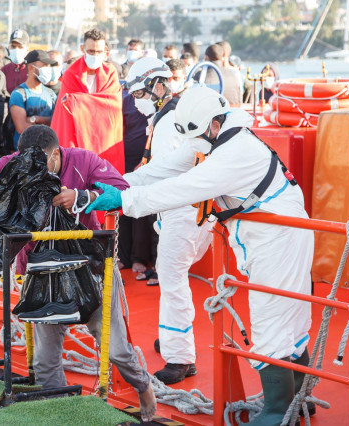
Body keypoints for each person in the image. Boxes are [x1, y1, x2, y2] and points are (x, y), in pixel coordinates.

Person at [87, 86, 313, 425]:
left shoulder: (235, 152)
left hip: (278, 241)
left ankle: (279, 412)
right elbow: (164, 170)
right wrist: (120, 185)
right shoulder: (217, 136)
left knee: (273, 320)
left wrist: (125, 202)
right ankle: (299, 398)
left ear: (213, 124)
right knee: (288, 315)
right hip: (271, 238)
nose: (195, 144)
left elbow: (184, 187)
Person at [0, 125, 157, 423]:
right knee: (45, 360)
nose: (32, 170)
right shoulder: (20, 164)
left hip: (90, 269)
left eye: (39, 163)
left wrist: (82, 197)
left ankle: (144, 386)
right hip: (42, 274)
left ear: (56, 153)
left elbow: (122, 189)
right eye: (26, 162)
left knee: (117, 349)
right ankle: (57, 413)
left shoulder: (84, 161)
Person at [123, 57, 213, 383]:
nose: (136, 101)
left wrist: (125, 195)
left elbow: (163, 174)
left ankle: (180, 358)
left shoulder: (166, 123)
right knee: (173, 276)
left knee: (172, 279)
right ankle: (174, 337)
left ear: (158, 86)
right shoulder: (170, 117)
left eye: (138, 93)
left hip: (183, 213)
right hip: (189, 211)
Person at [51, 28, 125, 175]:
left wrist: (77, 102)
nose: (95, 55)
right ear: (83, 49)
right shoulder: (71, 73)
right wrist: (93, 103)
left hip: (104, 138)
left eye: (99, 52)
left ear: (105, 52)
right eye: (91, 51)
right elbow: (64, 110)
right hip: (77, 136)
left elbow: (113, 105)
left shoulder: (111, 73)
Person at [118, 61, 157, 282]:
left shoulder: (155, 102)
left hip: (147, 162)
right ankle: (123, 255)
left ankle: (139, 258)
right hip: (124, 161)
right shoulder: (123, 101)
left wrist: (145, 160)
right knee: (123, 207)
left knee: (142, 212)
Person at [9, 50, 57, 149]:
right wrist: (47, 125)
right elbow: (21, 127)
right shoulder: (19, 94)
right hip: (25, 153)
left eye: (49, 66)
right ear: (31, 68)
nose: (48, 69)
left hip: (47, 151)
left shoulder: (51, 94)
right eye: (44, 65)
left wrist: (35, 119)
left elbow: (55, 121)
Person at [1, 29, 29, 94]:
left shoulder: (31, 70)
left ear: (27, 49)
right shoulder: (4, 70)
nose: (16, 49)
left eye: (20, 47)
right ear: (9, 48)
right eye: (13, 46)